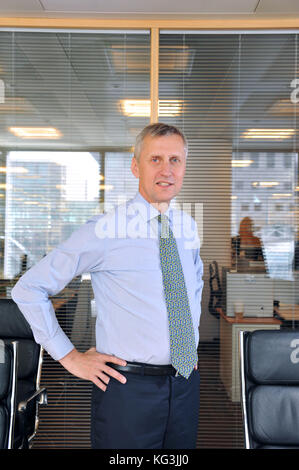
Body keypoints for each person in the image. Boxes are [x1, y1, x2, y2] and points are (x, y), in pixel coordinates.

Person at [11, 123, 204, 449]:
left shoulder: (186, 226)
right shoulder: (105, 230)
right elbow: (29, 288)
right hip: (128, 389)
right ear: (135, 166)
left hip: (185, 384)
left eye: (175, 160)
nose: (167, 170)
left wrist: (188, 343)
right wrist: (70, 357)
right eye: (155, 159)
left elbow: (193, 285)